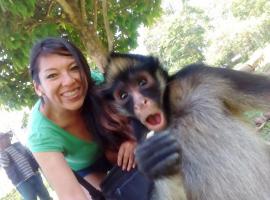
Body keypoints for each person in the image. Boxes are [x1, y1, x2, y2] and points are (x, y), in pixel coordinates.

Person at [27, 37, 137, 200]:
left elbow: (142, 106)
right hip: (86, 167)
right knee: (115, 195)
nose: (69, 80)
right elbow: (71, 195)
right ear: (39, 88)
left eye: (74, 68)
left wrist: (134, 138)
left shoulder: (94, 81)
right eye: (52, 75)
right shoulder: (39, 134)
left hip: (113, 145)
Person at [0, 131, 52, 200]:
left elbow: (30, 153)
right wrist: (1, 150)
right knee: (31, 198)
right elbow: (5, 163)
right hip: (22, 182)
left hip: (34, 175)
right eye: (2, 139)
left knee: (45, 195)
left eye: (6, 137)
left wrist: (39, 164)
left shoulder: (18, 145)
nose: (6, 139)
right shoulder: (2, 155)